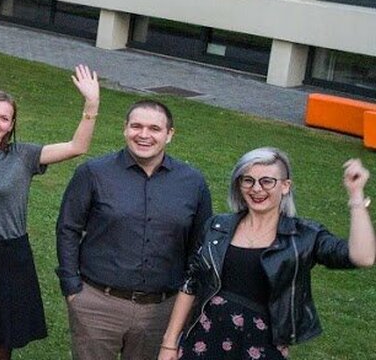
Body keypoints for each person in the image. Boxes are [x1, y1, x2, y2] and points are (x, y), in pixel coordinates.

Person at [158, 150, 374, 360]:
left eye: (267, 181)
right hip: (204, 339)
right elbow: (192, 283)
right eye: (248, 180)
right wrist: (169, 343)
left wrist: (356, 195)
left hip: (262, 344)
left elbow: (363, 257)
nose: (257, 189)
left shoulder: (303, 236)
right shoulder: (217, 227)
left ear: (285, 186)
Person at [0, 66, 101, 360]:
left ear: (10, 125)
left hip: (9, 256)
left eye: (3, 118)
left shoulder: (22, 156)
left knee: (1, 342)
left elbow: (77, 147)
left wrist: (91, 105)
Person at [57, 100, 212, 360]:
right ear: (124, 129)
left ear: (169, 134)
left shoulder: (192, 183)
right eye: (136, 126)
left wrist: (187, 302)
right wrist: (72, 289)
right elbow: (67, 229)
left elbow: (201, 246)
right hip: (98, 304)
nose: (144, 135)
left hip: (161, 310)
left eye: (154, 128)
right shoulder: (93, 173)